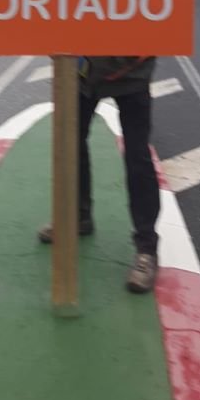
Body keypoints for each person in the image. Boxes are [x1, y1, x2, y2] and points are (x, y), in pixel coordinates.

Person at [38, 56, 160, 293]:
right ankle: (78, 218)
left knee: (138, 158)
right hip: (83, 73)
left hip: (131, 71)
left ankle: (147, 249)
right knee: (71, 143)